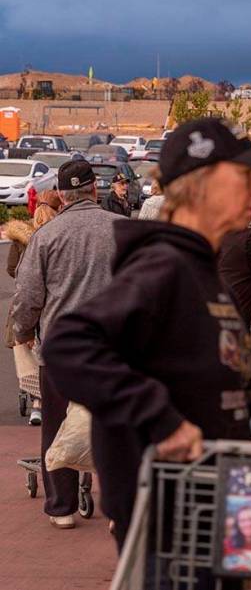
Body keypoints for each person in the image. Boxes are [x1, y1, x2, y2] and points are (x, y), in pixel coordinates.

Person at [42, 118, 251, 551]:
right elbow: (69, 342)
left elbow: (210, 383)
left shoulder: (201, 270)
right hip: (172, 517)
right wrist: (159, 419)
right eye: (245, 179)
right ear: (203, 185)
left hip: (211, 505)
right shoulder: (163, 265)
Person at [10, 160, 126, 530]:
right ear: (95, 189)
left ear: (61, 195)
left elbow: (27, 296)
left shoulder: (46, 236)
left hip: (61, 351)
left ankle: (62, 508)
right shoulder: (125, 230)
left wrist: (22, 330)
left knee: (57, 426)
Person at [5, 191, 61, 426]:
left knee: (27, 349)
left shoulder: (21, 236)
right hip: (55, 302)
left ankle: (36, 401)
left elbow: (11, 268)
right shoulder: (60, 233)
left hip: (27, 301)